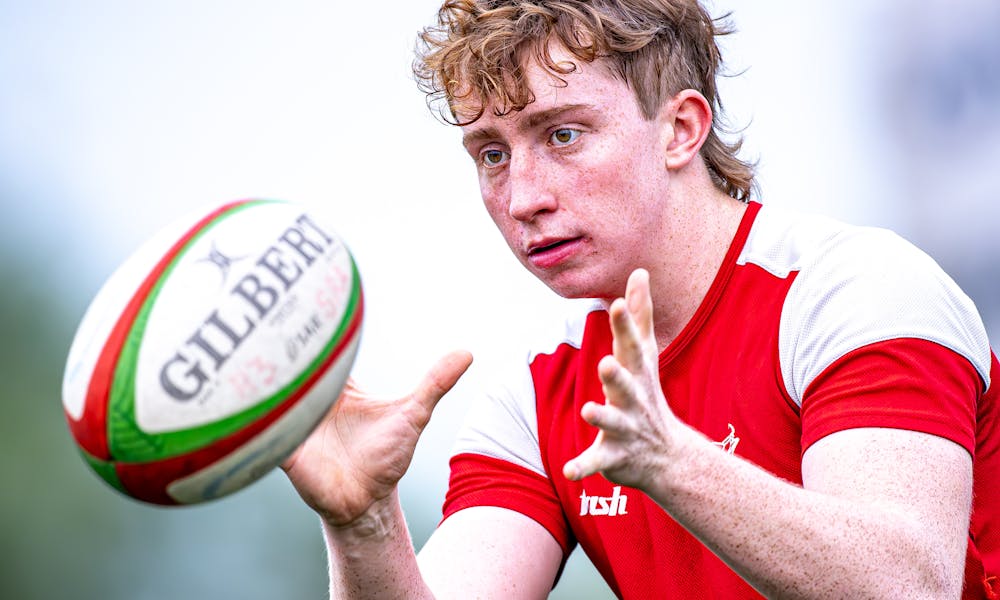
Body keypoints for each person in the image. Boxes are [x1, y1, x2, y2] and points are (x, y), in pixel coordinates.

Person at [282, 0, 1000, 597]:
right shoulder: (538, 391)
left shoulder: (857, 293)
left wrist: (673, 462)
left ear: (681, 130)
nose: (523, 197)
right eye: (492, 155)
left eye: (562, 134)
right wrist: (365, 521)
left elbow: (909, 586)